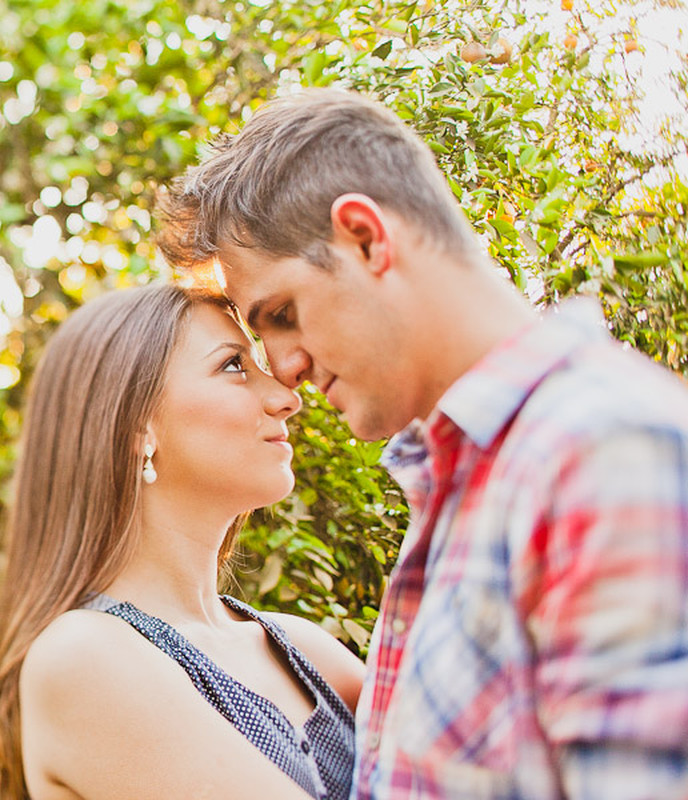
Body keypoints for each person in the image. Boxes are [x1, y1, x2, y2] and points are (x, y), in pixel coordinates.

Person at [156, 88, 688, 798]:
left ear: (367, 238)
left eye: (282, 314)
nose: (284, 368)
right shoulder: (464, 481)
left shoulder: (601, 450)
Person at [0, 284, 366, 800]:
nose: (286, 397)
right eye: (233, 366)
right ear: (136, 427)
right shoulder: (84, 660)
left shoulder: (303, 650)